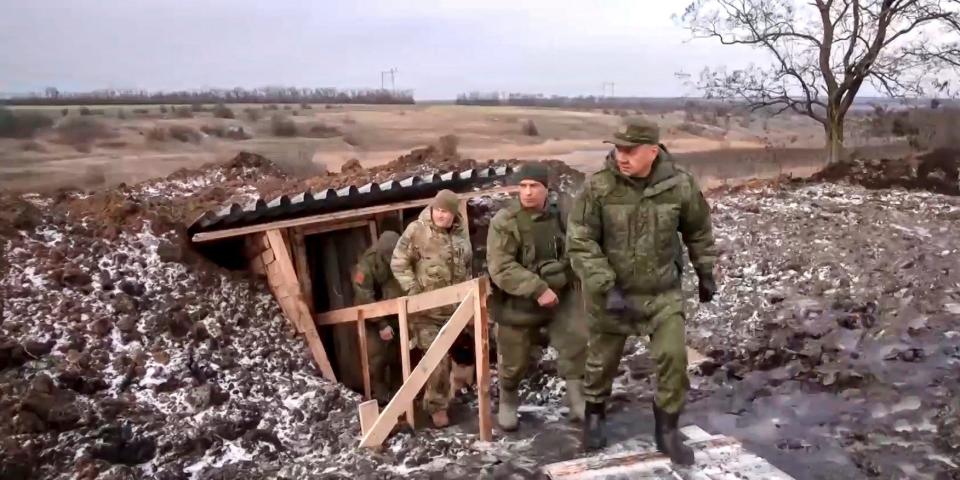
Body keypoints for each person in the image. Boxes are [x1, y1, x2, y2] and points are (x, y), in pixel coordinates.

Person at [566, 117, 717, 464]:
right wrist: (606, 284)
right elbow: (580, 239)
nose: (622, 156)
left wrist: (705, 270)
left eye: (630, 150)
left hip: (661, 293)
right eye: (618, 148)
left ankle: (666, 429)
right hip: (612, 294)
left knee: (673, 358)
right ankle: (594, 417)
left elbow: (698, 230)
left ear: (653, 150)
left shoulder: (679, 184)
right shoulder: (599, 187)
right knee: (601, 363)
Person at [486, 163, 587, 431]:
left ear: (546, 189)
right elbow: (501, 267)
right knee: (513, 359)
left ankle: (578, 397)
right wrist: (538, 288)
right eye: (523, 186)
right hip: (517, 304)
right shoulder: (505, 222)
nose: (528, 192)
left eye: (534, 186)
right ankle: (507, 401)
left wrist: (563, 271)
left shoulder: (561, 215)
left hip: (560, 299)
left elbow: (580, 245)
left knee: (576, 341)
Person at [390, 189, 472, 428]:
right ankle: (436, 407)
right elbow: (398, 262)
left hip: (455, 309)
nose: (441, 216)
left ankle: (462, 389)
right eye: (438, 210)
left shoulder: (460, 235)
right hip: (426, 312)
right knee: (437, 361)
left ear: (454, 214)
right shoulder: (417, 231)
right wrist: (414, 291)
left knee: (471, 348)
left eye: (446, 212)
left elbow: (466, 267)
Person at [352, 230, 403, 406]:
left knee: (399, 354)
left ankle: (400, 394)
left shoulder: (404, 254)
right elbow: (364, 295)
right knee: (377, 357)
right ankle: (380, 395)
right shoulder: (366, 265)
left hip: (397, 312)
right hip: (372, 315)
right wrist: (381, 324)